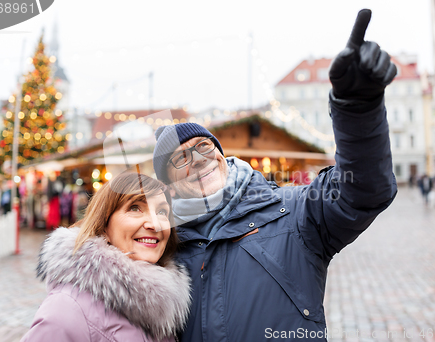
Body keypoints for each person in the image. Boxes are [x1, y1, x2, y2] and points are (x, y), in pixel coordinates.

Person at [152, 9, 397, 342]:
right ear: (168, 185)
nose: (197, 160)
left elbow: (364, 192)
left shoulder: (292, 212)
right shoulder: (160, 250)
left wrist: (357, 108)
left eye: (204, 147)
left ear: (223, 156)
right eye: (181, 158)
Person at [21, 172, 191, 342]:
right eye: (135, 208)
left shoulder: (166, 305)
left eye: (162, 211)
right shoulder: (66, 309)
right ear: (103, 225)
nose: (155, 224)